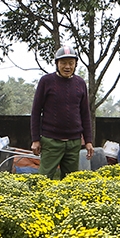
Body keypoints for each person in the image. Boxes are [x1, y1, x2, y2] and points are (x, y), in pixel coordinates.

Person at [31, 45, 93, 179]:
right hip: (51, 141)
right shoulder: (46, 81)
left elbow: (85, 114)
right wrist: (36, 139)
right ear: (57, 63)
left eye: (71, 63)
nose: (67, 67)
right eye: (63, 63)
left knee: (70, 182)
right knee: (44, 180)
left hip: (74, 142)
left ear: (75, 64)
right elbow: (36, 112)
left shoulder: (80, 83)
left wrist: (88, 141)